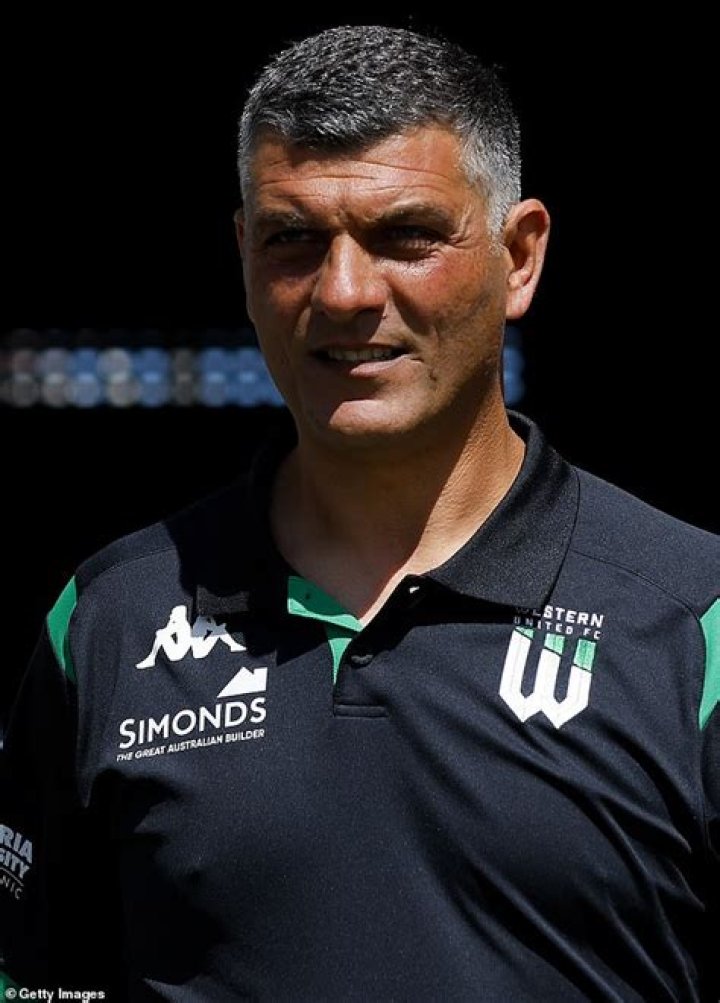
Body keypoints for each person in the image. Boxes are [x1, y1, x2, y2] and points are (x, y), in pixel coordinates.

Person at [1, 23, 717, 1001]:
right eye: (294, 239)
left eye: (406, 236)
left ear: (518, 257)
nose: (343, 292)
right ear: (244, 254)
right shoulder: (107, 621)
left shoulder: (695, 624)